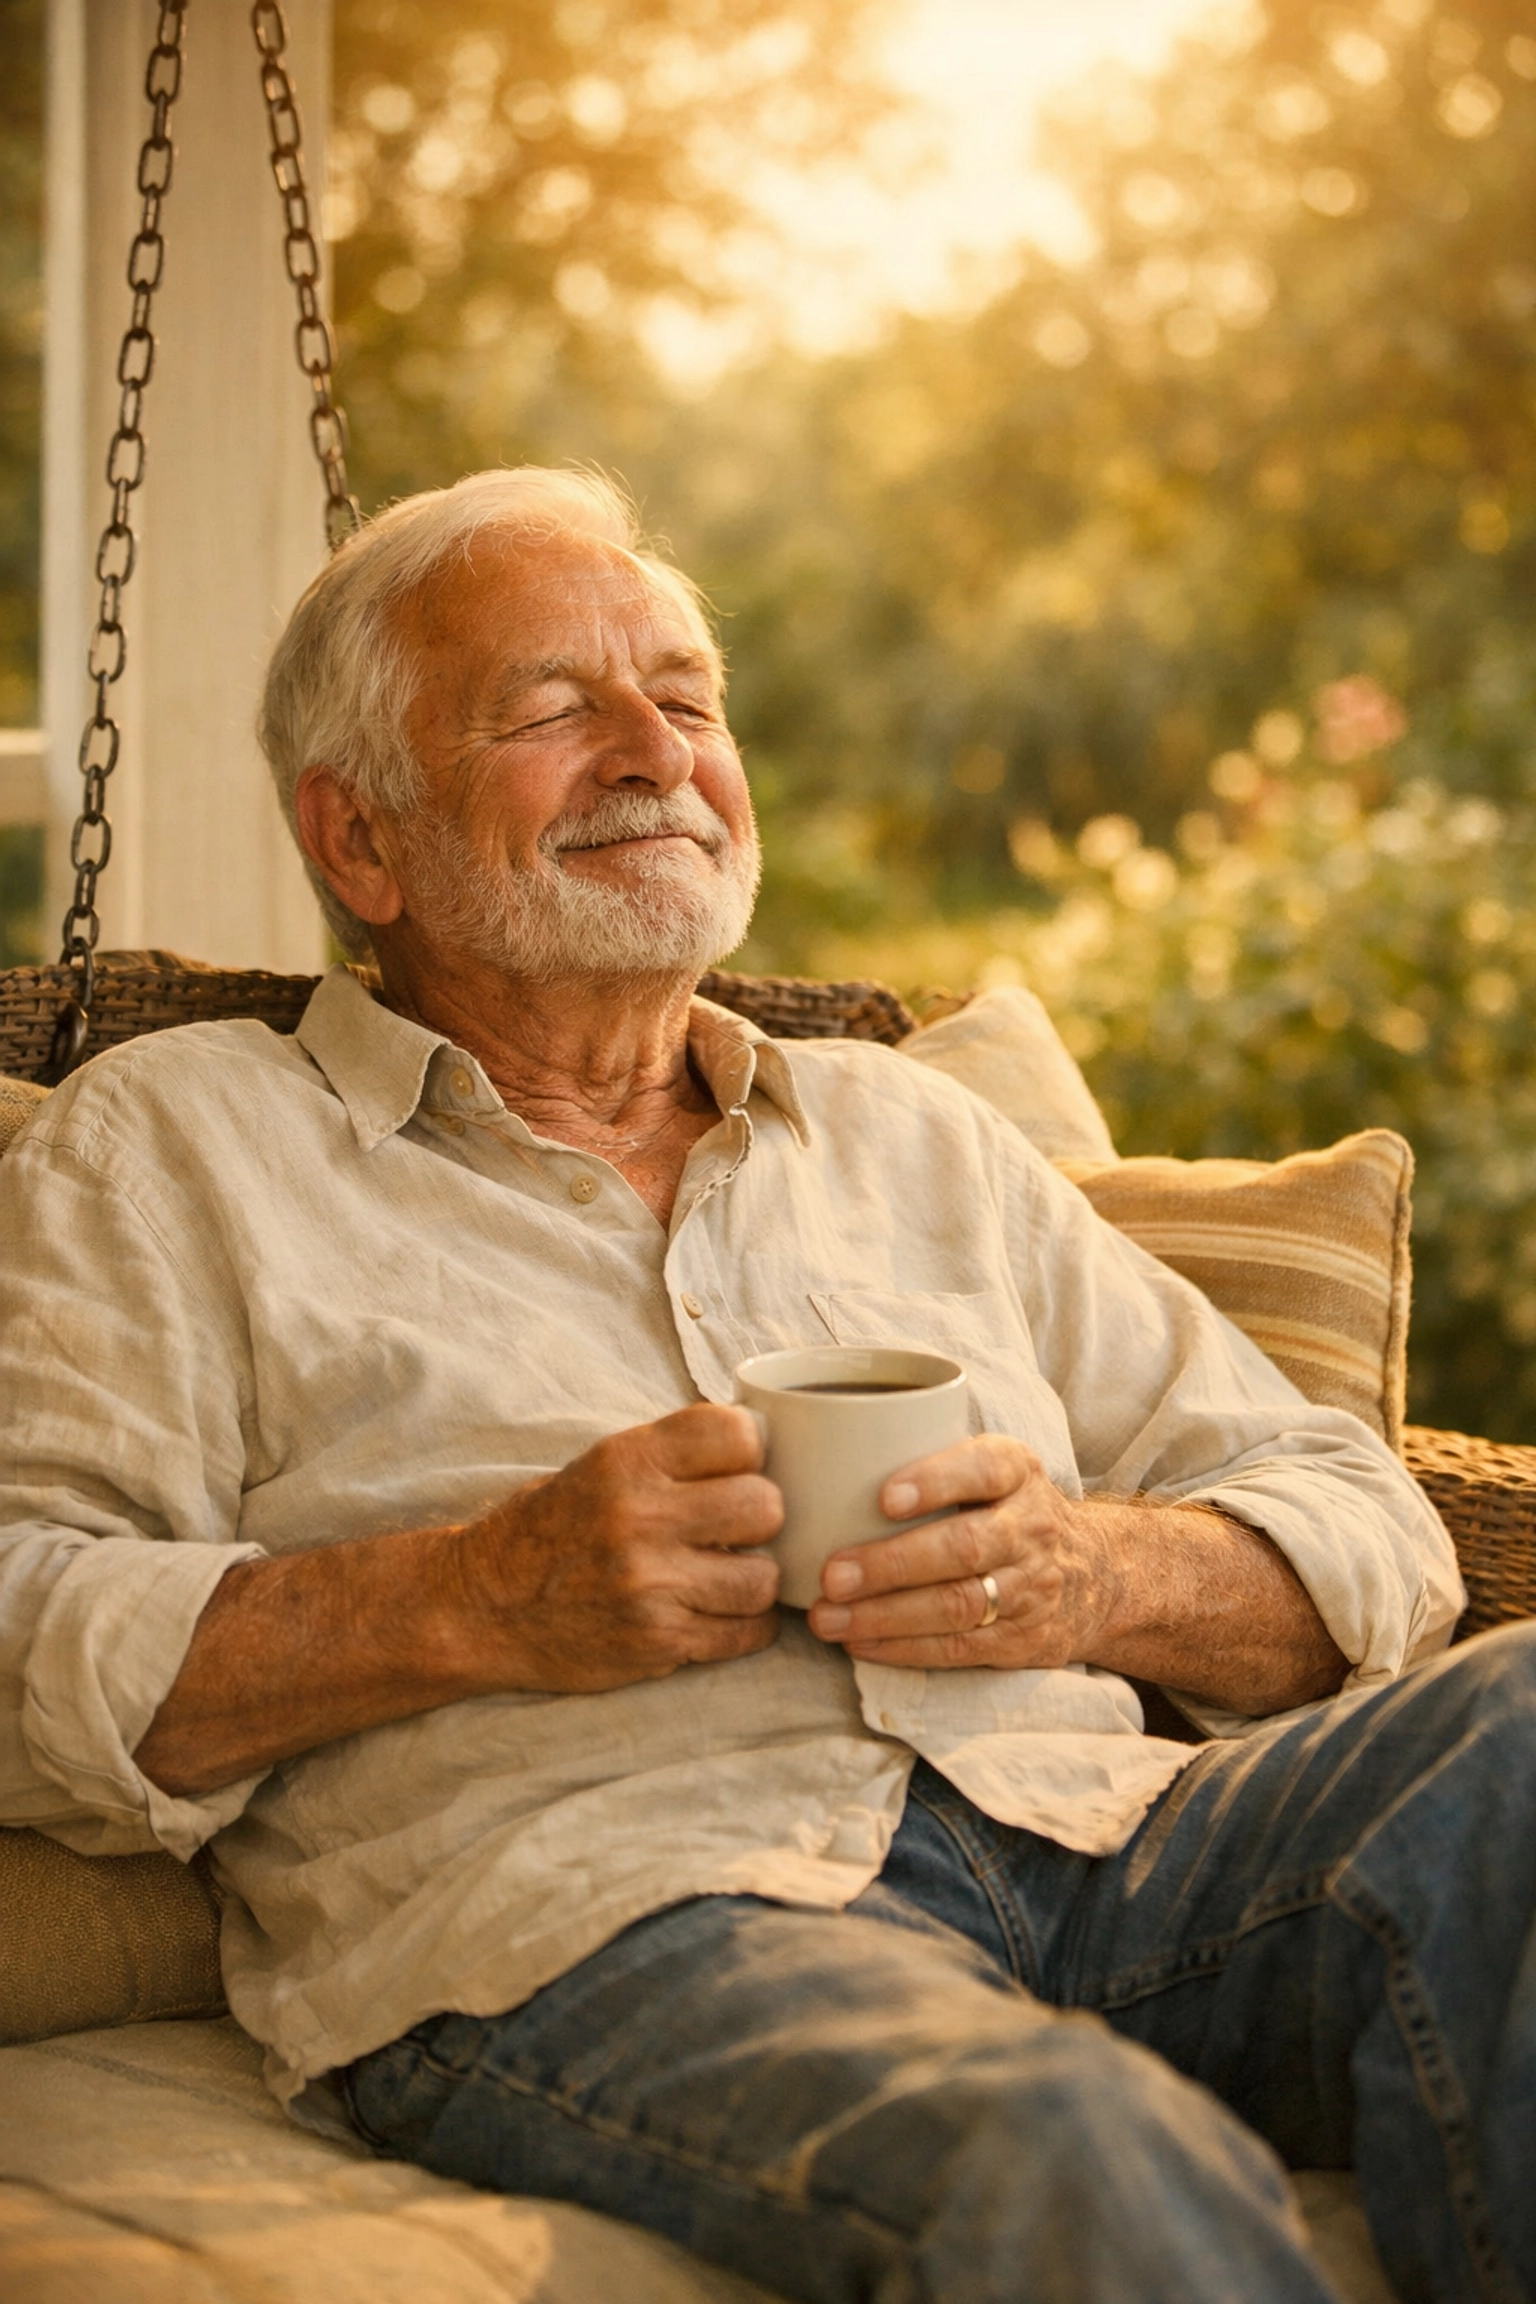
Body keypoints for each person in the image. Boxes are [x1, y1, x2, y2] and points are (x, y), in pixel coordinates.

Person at [0, 466, 1525, 2304]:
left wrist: (1091, 1574)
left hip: (1117, 1846)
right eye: (555, 710)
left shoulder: (911, 1133)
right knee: (1067, 2148)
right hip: (626, 1916)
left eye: (690, 695)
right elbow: (25, 1620)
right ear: (362, 842)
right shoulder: (174, 1146)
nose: (656, 748)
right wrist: (478, 1595)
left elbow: (1358, 1509)